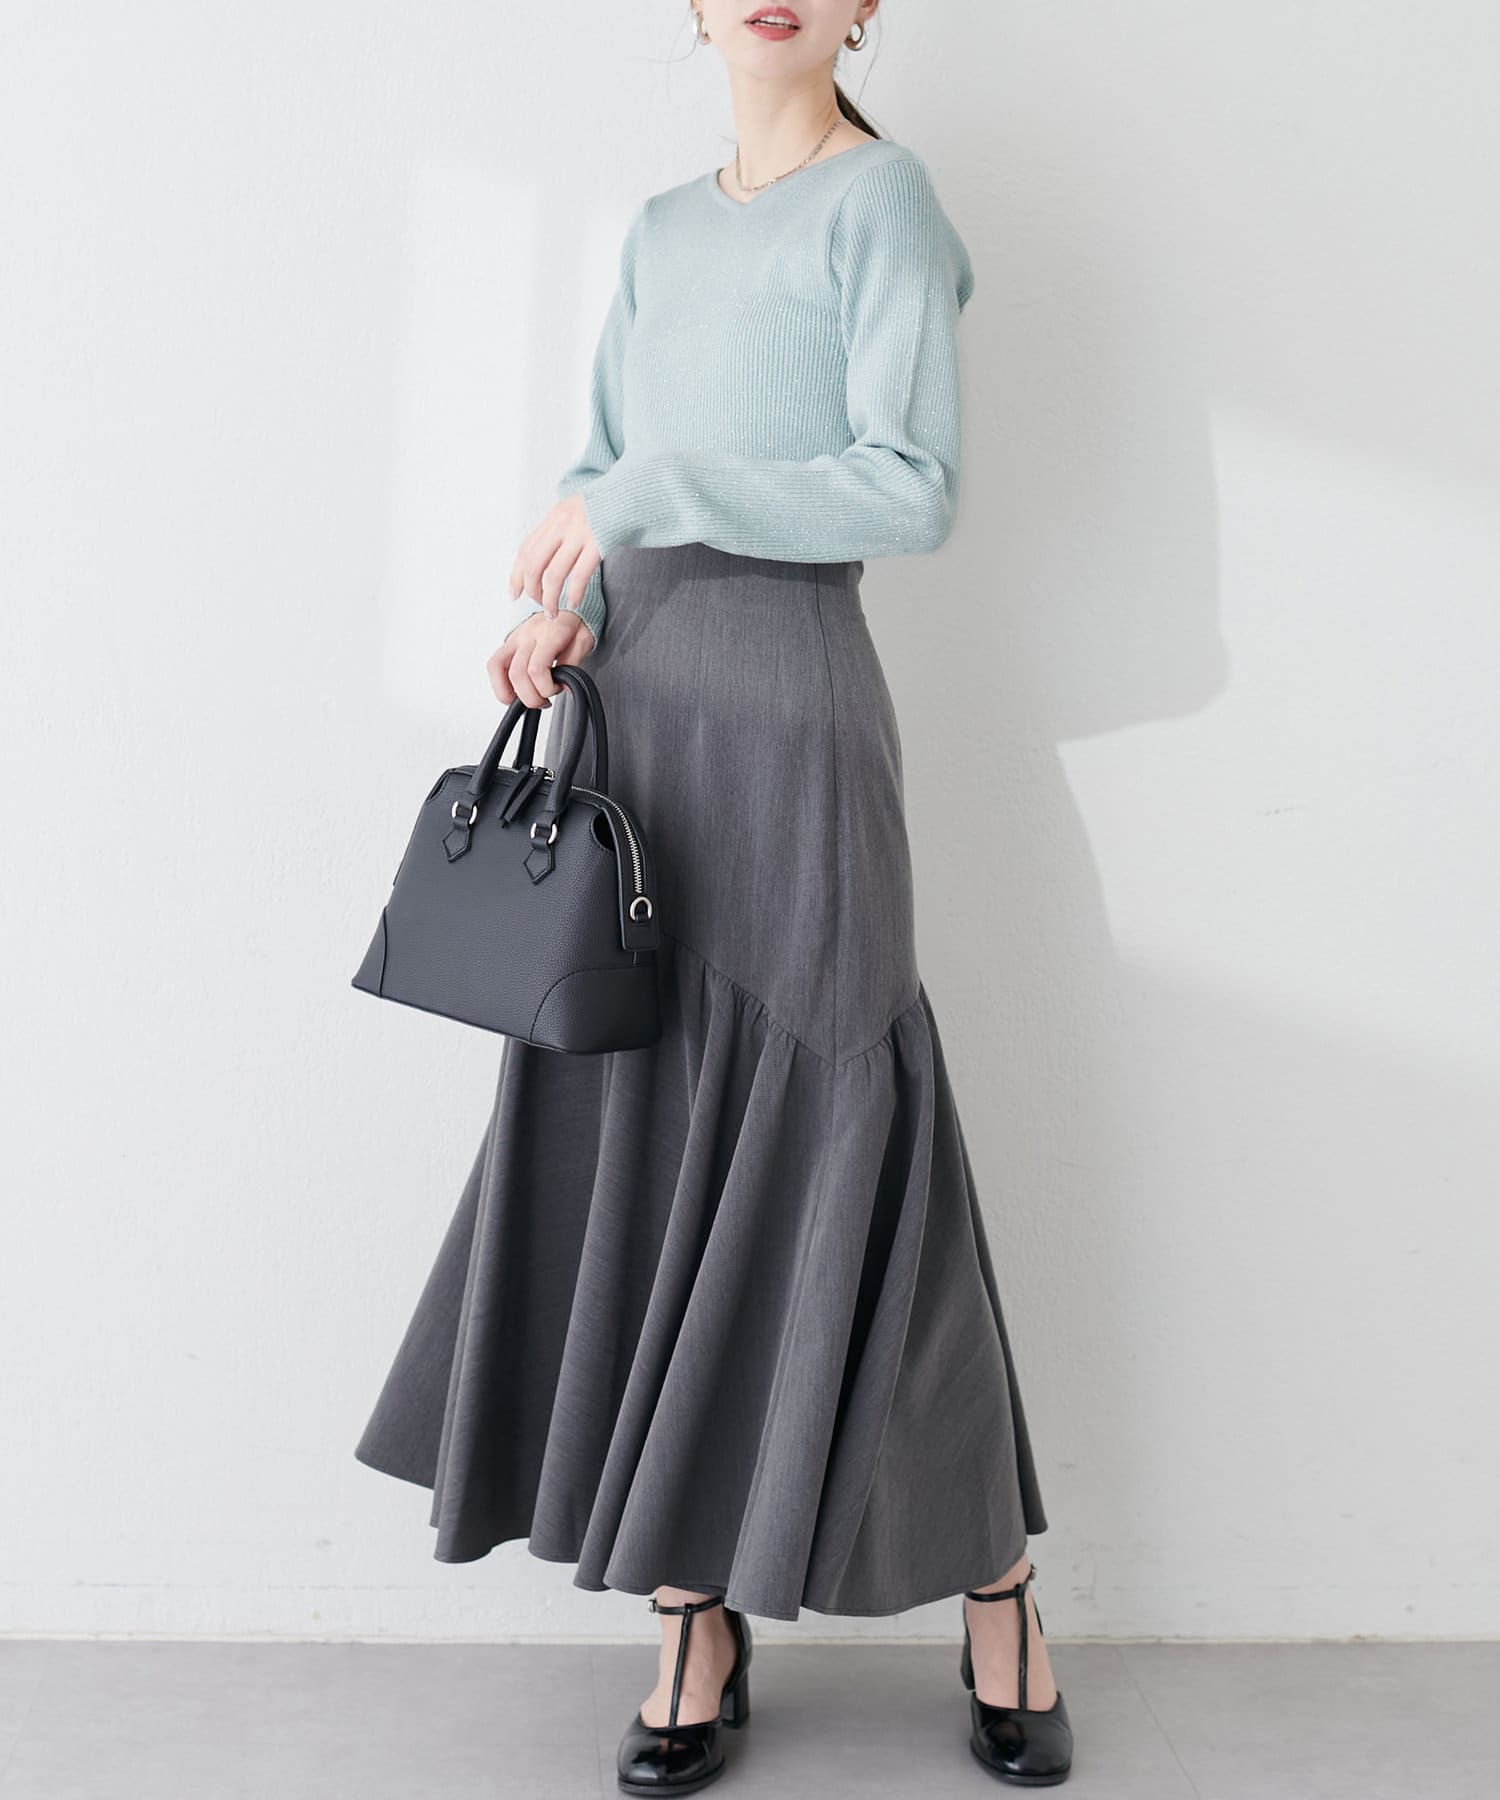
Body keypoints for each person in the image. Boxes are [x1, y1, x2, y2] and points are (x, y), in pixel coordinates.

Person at [353, 2, 1074, 1789]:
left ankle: (995, 1584)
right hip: (639, 717)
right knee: (644, 1131)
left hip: (798, 715)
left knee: (851, 1129)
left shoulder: (883, 204)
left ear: (865, 7)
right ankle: (691, 1608)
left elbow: (909, 489)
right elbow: (604, 463)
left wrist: (649, 491)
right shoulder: (666, 231)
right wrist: (565, 612)